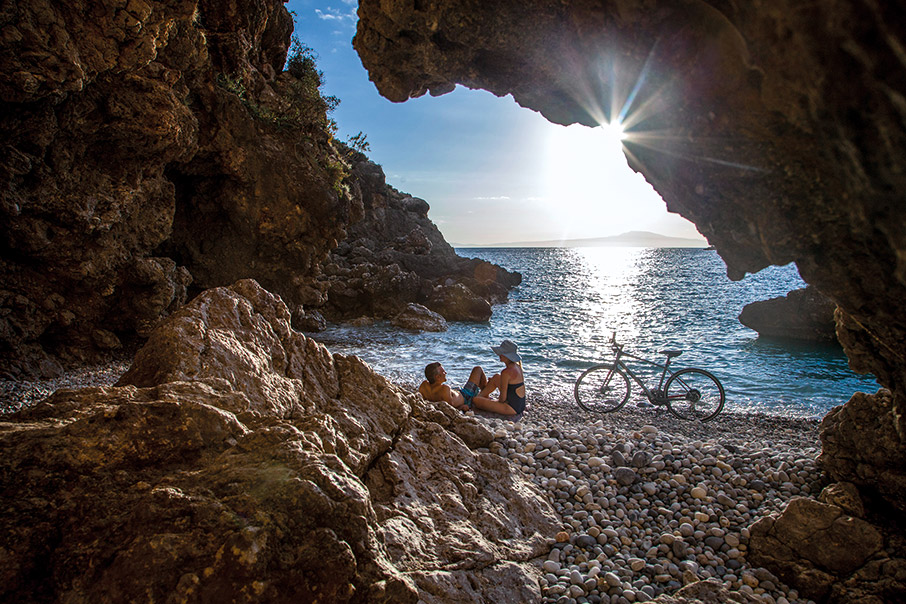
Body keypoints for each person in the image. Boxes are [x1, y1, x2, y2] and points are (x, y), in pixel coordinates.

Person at [471, 339, 526, 417]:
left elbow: (502, 399)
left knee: (475, 400)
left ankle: (480, 397)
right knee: (496, 377)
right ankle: (481, 396)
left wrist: (494, 402)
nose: (499, 355)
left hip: (511, 408)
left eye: (501, 354)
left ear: (507, 356)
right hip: (520, 405)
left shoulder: (506, 372)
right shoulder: (517, 367)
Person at [419, 362, 488, 411]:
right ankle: (485, 396)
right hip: (466, 396)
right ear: (438, 377)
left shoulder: (424, 386)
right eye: (443, 372)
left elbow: (423, 401)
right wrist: (461, 407)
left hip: (457, 393)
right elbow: (450, 410)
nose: (446, 373)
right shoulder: (444, 388)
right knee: (478, 369)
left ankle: (483, 395)